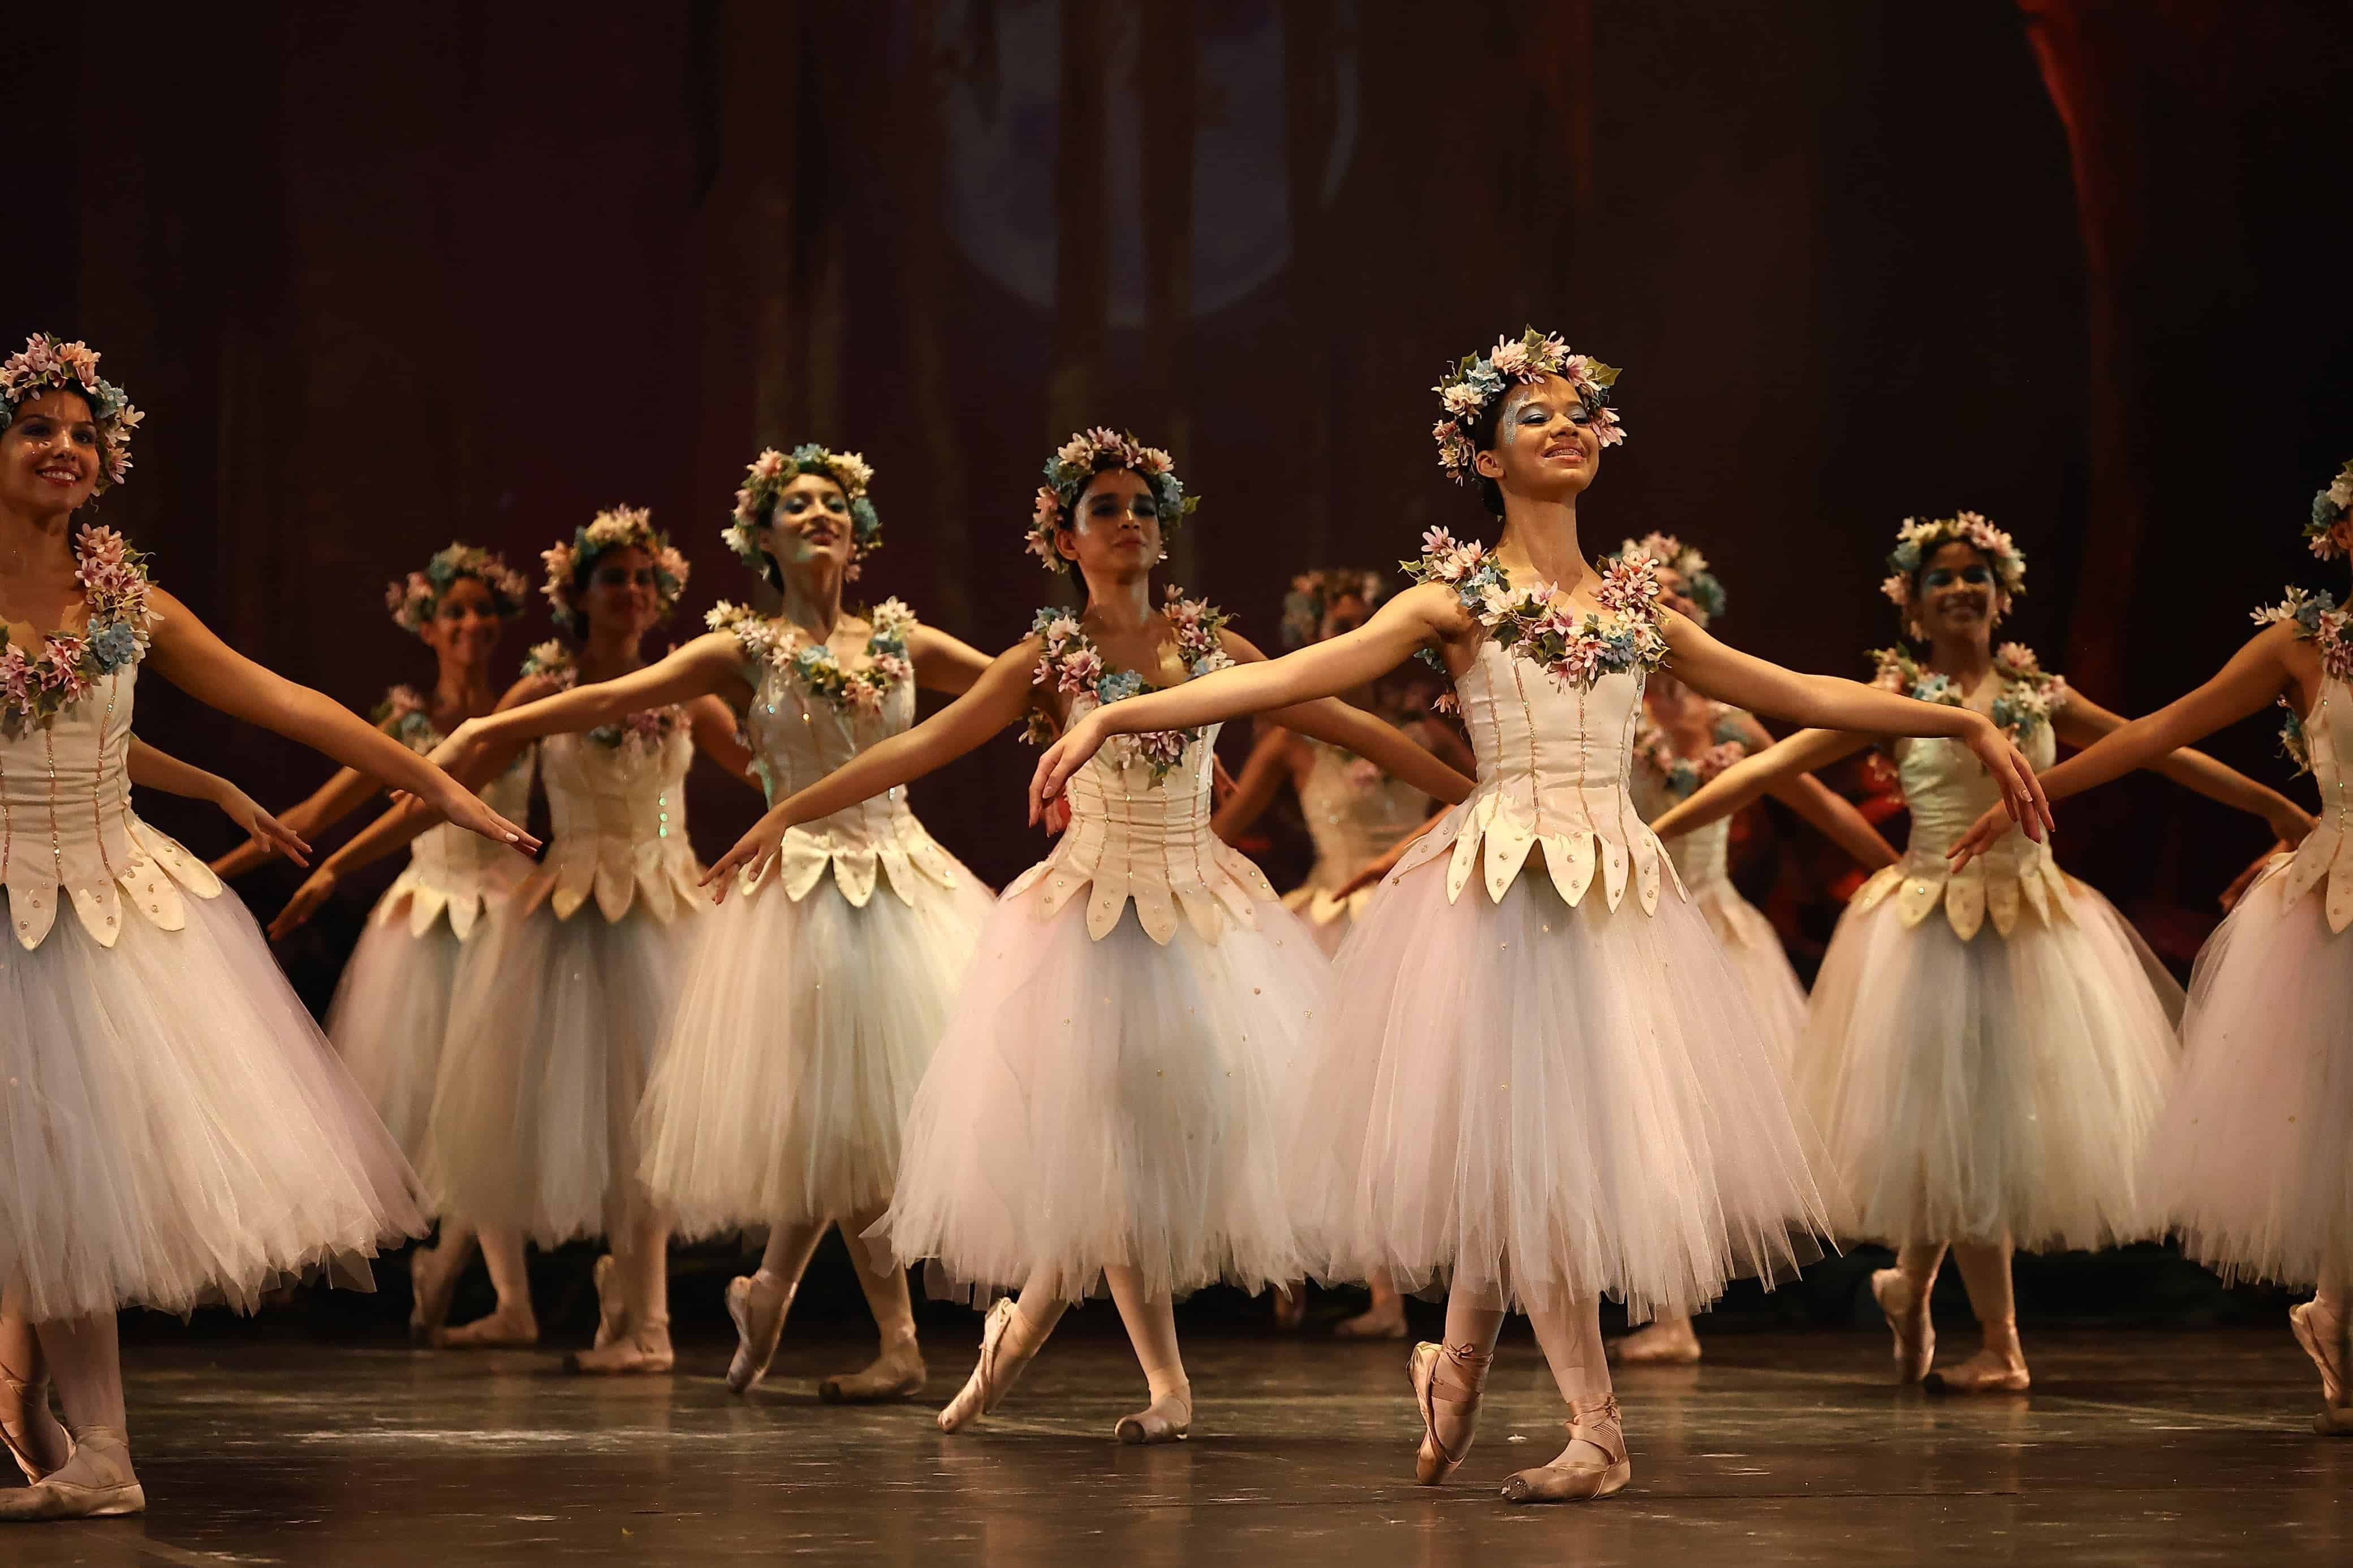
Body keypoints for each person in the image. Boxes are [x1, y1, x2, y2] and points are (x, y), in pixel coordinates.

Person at [1024, 332, 2050, 1502]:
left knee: (1539, 1161)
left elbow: (1793, 690)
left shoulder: (1633, 605)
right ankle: (1595, 1430)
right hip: (1505, 894)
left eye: (1578, 414)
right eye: (1533, 417)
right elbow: (1292, 681)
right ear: (1484, 454)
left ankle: (1453, 1372)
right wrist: (1113, 718)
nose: (1564, 427)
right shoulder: (1453, 599)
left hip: (1610, 899)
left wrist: (1962, 725)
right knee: (1538, 1161)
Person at [699, 427, 1476, 1444]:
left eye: (1144, 508)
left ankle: (1039, 1348)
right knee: (1105, 1146)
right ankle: (1130, 1376)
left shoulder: (1213, 648)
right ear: (1064, 539)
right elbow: (918, 746)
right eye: (1105, 509)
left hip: (1204, 919)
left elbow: (1352, 726)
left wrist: (1489, 797)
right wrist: (784, 812)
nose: (1130, 523)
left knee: (1144, 1153)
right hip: (1090, 921)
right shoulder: (1049, 660)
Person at [0, 334, 532, 1522]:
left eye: (84, 435)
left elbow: (284, 699)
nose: (64, 449)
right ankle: (33, 1408)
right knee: (27, 1175)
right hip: (7, 885)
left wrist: (436, 783)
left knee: (64, 1170)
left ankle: (100, 1450)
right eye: (38, 429)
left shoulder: (129, 605)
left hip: (100, 910)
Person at [1652, 511, 2309, 1392]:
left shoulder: (2039, 696)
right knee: (1957, 1127)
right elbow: (1767, 772)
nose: (1961, 588)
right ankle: (1992, 1339)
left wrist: (2272, 805)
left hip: (2039, 923)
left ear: (2003, 596)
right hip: (1928, 929)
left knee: (1981, 1130)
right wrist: (1654, 829)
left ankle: (1914, 1289)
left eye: (1976, 575)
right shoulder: (1900, 698)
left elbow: (2151, 746)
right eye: (1941, 577)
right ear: (1913, 606)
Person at [437, 444, 996, 1398]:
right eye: (797, 505)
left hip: (907, 883)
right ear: (765, 538)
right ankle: (864, 1327)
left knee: (871, 1121)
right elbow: (613, 694)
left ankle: (806, 1305)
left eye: (833, 502)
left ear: (856, 532)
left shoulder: (908, 642)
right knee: (843, 1118)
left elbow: (1022, 688)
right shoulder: (742, 649)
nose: (818, 514)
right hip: (804, 896)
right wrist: (488, 734)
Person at [274, 507, 748, 1369]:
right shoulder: (543, 692)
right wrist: (340, 864)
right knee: (609, 1118)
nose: (633, 593)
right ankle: (629, 1313)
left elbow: (769, 770)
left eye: (646, 580)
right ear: (579, 594)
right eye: (615, 579)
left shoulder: (687, 692)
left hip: (669, 908)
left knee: (661, 1114)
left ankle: (648, 1322)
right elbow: (441, 792)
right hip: (572, 917)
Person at [1944, 463, 2348, 1428]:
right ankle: (2338, 1312)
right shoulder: (2305, 644)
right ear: (2339, 537)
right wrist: (2034, 796)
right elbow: (2161, 730)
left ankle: (2333, 1309)